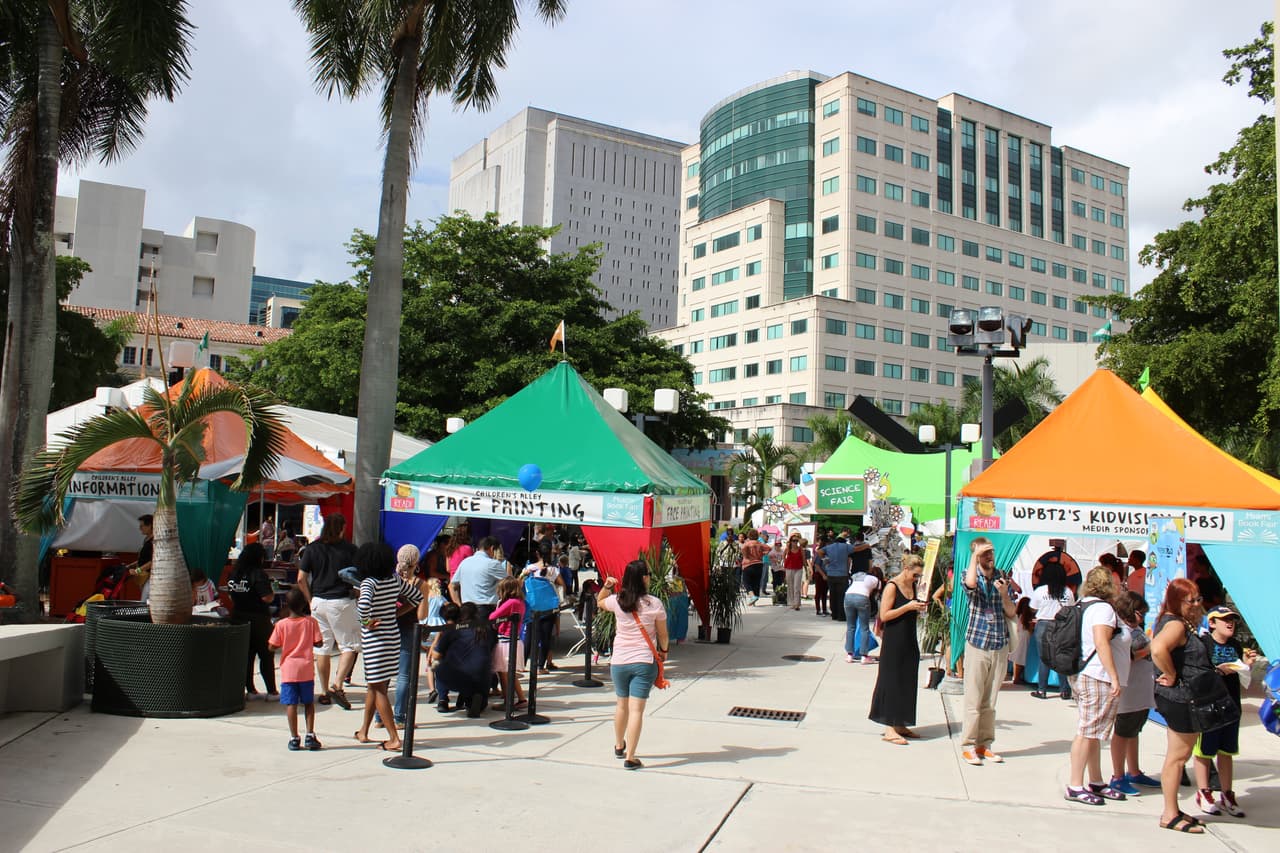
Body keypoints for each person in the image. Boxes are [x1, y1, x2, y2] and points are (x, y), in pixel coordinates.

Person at [1150, 577, 1211, 833]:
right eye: (1191, 600)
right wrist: (1172, 674)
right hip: (1180, 698)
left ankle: (1173, 809)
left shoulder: (1174, 621)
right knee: (1177, 758)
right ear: (1178, 601)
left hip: (1180, 696)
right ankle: (1169, 813)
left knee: (1178, 756)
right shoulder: (1175, 624)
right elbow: (1157, 648)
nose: (1196, 604)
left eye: (1198, 598)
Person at [1063, 566, 1128, 806]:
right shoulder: (1103, 609)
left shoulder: (1083, 604)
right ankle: (1075, 784)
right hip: (1096, 675)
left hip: (1081, 673)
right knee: (1086, 731)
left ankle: (1096, 780)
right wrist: (1114, 676)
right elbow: (1101, 642)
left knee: (1091, 732)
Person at [597, 560, 668, 769]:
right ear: (644, 578)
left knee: (621, 705)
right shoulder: (654, 603)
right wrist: (664, 652)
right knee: (636, 710)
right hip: (644, 661)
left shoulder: (618, 600)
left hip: (619, 661)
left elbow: (600, 601)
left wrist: (607, 585)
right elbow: (663, 634)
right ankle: (631, 757)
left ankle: (619, 745)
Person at [353, 542, 424, 751]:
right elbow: (417, 597)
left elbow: (363, 607)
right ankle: (363, 731)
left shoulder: (368, 583)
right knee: (374, 685)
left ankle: (393, 738)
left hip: (375, 640)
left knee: (378, 688)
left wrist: (366, 622)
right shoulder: (394, 580)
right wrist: (394, 614)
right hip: (392, 637)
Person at [1192, 605, 1257, 818]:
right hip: (1209, 705)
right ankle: (1204, 792)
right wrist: (1218, 671)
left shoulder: (1236, 646)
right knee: (1204, 751)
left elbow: (1243, 677)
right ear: (1212, 623)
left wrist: (1247, 665)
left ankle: (1227, 794)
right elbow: (1198, 673)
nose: (1230, 623)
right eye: (1224, 619)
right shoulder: (1203, 644)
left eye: (1233, 619)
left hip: (1231, 705)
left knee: (1227, 751)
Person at [960, 537, 1016, 766]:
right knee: (974, 699)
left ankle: (985, 744)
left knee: (990, 701)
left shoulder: (1001, 575)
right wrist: (974, 557)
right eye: (985, 553)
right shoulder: (969, 574)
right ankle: (968, 745)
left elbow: (1011, 611)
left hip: (998, 643)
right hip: (978, 643)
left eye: (991, 552)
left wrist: (1004, 594)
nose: (989, 557)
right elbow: (971, 585)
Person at [296, 513, 358, 710]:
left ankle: (323, 691)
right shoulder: (349, 549)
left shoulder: (312, 549)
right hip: (341, 601)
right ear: (341, 528)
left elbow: (300, 578)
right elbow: (359, 575)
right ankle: (337, 684)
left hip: (318, 602)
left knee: (322, 648)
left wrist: (309, 599)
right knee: (349, 645)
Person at [870, 554, 928, 744]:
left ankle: (901, 723)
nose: (916, 579)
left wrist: (917, 608)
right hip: (894, 639)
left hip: (909, 638)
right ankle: (889, 727)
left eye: (919, 576)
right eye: (915, 575)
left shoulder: (912, 586)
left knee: (907, 679)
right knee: (892, 680)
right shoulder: (892, 586)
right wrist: (908, 607)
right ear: (906, 569)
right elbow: (884, 615)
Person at [1109, 591, 1161, 796]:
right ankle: (1117, 776)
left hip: (1141, 690)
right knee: (1122, 733)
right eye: (1141, 613)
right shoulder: (1119, 630)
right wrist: (1150, 648)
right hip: (1127, 692)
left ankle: (1134, 770)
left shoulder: (1134, 628)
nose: (1143, 617)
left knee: (1134, 731)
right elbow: (1127, 657)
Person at [268, 588, 324, 751]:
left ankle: (294, 737)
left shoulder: (281, 625)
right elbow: (319, 642)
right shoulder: (310, 622)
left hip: (289, 670)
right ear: (304, 604)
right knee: (308, 703)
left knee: (291, 704)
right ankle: (310, 734)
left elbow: (272, 646)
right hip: (305, 668)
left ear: (287, 605)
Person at [228, 543, 277, 699]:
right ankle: (271, 691)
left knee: (246, 655)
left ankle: (250, 690)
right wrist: (273, 593)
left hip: (238, 617)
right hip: (259, 618)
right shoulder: (258, 574)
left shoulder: (233, 573)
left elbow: (231, 595)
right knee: (266, 654)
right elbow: (267, 597)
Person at [390, 544, 429, 726]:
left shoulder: (390, 580)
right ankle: (399, 716)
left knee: (384, 675)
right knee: (404, 675)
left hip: (388, 627)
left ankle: (380, 716)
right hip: (408, 629)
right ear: (416, 561)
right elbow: (422, 615)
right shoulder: (421, 585)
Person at [432, 602, 492, 717]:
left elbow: (436, 655)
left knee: (437, 665)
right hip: (482, 676)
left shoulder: (453, 630)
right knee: (479, 696)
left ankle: (443, 700)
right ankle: (472, 701)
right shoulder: (486, 629)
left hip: (457, 674)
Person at [1030, 561, 1076, 699]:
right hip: (1061, 626)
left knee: (1044, 659)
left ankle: (1042, 690)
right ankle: (1064, 690)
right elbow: (1071, 609)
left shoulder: (1040, 591)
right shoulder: (1067, 592)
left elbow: (1033, 608)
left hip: (1043, 625)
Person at [489, 576, 527, 709]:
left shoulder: (510, 602)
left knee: (506, 674)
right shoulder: (520, 602)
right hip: (513, 640)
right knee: (506, 673)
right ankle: (513, 698)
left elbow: (492, 616)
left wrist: (499, 605)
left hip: (506, 641)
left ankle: (510, 701)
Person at [450, 536, 509, 619]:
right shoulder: (492, 564)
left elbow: (452, 585)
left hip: (466, 609)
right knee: (486, 631)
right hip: (485, 609)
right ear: (492, 549)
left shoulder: (465, 562)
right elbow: (510, 584)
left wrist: (458, 604)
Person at [845, 561, 881, 663]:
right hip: (862, 598)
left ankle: (849, 655)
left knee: (850, 627)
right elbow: (878, 595)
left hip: (848, 596)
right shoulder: (876, 580)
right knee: (864, 628)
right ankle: (864, 656)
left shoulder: (857, 576)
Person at [422, 578, 447, 703]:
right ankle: (441, 685)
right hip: (438, 626)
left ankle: (432, 689)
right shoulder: (440, 598)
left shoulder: (425, 597)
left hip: (427, 626)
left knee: (428, 659)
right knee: (437, 656)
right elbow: (449, 607)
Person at [128, 514, 155, 600]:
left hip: (150, 576)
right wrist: (131, 565)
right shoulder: (147, 539)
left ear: (150, 526)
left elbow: (153, 561)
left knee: (145, 599)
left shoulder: (154, 541)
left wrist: (138, 570)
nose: (140, 528)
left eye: (142, 526)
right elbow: (144, 558)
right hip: (144, 575)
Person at [739, 530, 767, 605]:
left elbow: (742, 548)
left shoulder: (747, 543)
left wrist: (746, 555)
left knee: (746, 582)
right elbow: (769, 548)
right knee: (756, 583)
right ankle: (754, 599)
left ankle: (752, 596)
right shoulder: (759, 543)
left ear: (749, 535)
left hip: (748, 564)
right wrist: (762, 554)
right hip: (759, 564)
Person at [783, 539, 805, 611]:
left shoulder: (800, 549)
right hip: (789, 569)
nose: (795, 542)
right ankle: (792, 602)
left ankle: (797, 603)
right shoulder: (787, 549)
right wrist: (785, 565)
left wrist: (806, 569)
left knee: (796, 586)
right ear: (790, 542)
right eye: (793, 541)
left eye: (796, 541)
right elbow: (783, 556)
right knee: (790, 586)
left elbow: (803, 559)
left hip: (798, 569)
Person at [811, 534, 830, 616]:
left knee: (825, 593)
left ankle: (825, 609)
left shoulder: (828, 552)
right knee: (818, 592)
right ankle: (818, 609)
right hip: (819, 574)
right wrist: (823, 575)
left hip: (827, 573)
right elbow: (817, 565)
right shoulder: (820, 552)